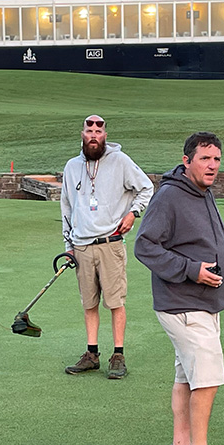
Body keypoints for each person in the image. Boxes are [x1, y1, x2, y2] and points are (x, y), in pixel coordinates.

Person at [134, 132, 224, 445]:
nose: (213, 166)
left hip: (204, 303)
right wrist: (192, 271)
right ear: (187, 160)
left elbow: (219, 239)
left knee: (187, 377)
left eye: (217, 159)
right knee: (207, 378)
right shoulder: (170, 196)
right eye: (205, 159)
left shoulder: (203, 193)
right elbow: (145, 246)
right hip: (182, 303)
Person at [60, 115, 154, 379]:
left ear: (105, 134)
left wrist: (133, 213)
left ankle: (118, 355)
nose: (93, 134)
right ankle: (91, 354)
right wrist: (68, 245)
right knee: (89, 303)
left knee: (115, 302)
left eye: (98, 130)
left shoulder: (120, 161)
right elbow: (66, 207)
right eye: (89, 129)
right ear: (82, 133)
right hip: (81, 246)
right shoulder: (71, 167)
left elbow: (146, 188)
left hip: (110, 243)